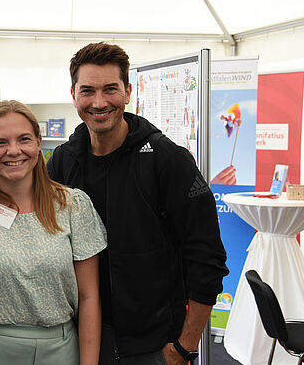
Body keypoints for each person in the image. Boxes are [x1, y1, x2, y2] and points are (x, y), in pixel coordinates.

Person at [47, 43, 228, 365]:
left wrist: (184, 347)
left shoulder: (167, 160)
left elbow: (207, 257)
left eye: (110, 89)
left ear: (128, 92)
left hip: (153, 346)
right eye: (87, 90)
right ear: (73, 95)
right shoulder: (63, 162)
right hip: (78, 339)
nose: (99, 102)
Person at [0, 100, 107, 365]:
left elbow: (89, 298)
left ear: (39, 143)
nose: (13, 150)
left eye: (24, 139)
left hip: (60, 350)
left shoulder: (73, 207)